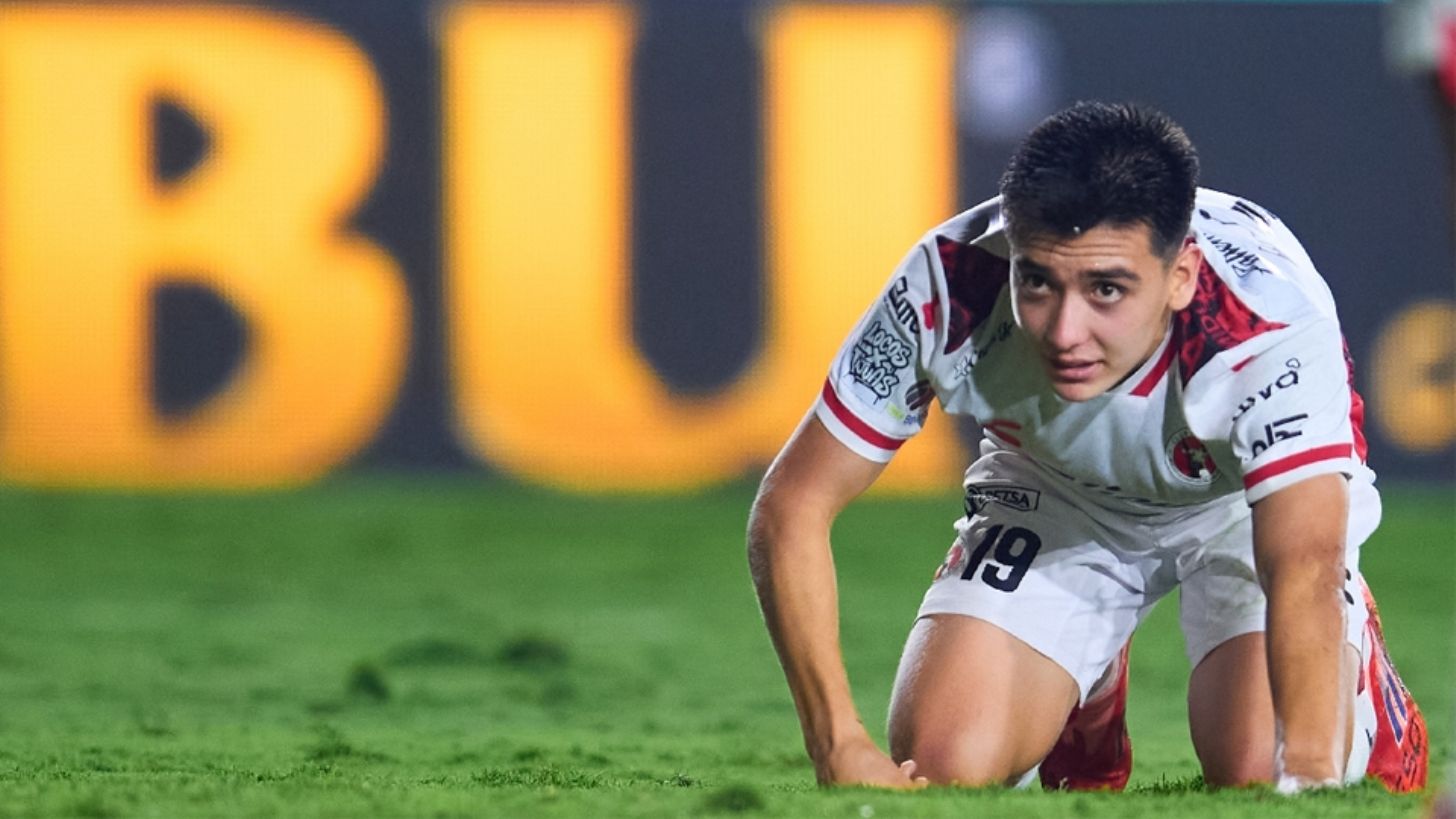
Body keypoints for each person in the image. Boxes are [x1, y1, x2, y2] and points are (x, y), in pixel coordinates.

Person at [747, 102, 1427, 793]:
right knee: (949, 762)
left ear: (1181, 276)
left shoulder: (1267, 327)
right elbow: (791, 505)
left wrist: (1307, 774)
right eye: (1038, 282)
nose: (1066, 331)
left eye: (1106, 289)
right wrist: (837, 742)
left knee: (1258, 766)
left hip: (1240, 501)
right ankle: (1089, 689)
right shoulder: (948, 281)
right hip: (1057, 486)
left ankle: (1371, 690)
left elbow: (1303, 561)